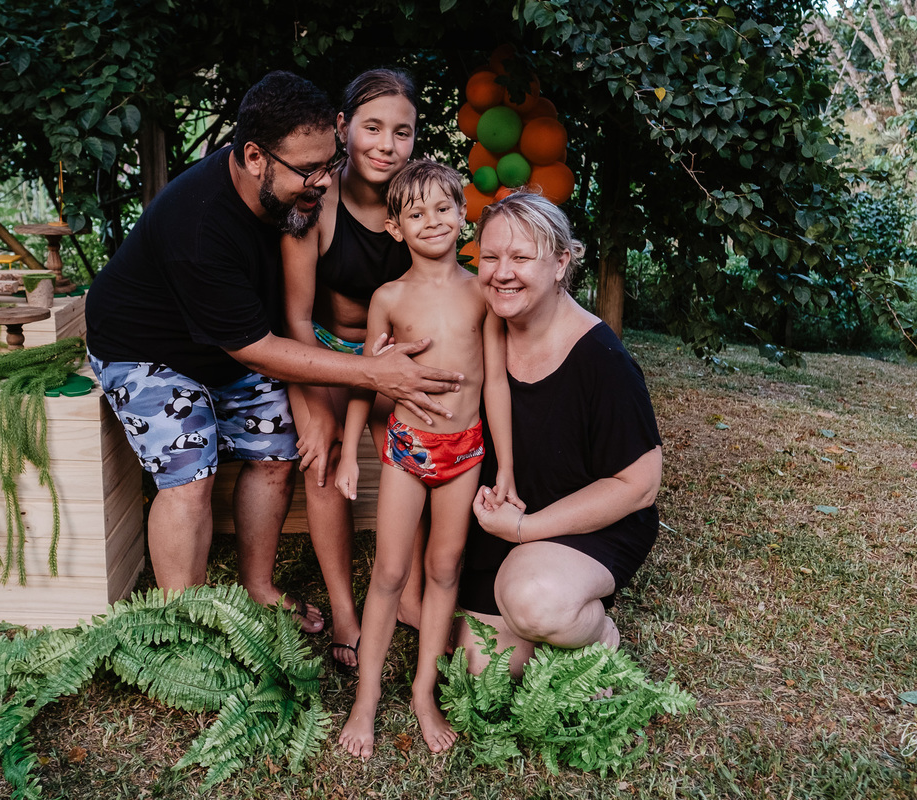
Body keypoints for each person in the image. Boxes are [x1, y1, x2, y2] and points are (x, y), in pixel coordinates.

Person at [84, 71, 463, 633]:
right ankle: (181, 627)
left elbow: (279, 325)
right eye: (309, 171)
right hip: (148, 352)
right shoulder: (200, 226)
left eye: (328, 164)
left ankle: (258, 587)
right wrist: (371, 373)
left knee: (279, 447)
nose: (322, 181)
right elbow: (259, 350)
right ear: (256, 157)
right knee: (190, 468)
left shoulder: (294, 197)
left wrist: (313, 404)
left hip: (228, 348)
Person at [334, 160, 514, 757]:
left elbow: (493, 387)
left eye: (443, 209)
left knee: (444, 570)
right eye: (417, 213)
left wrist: (505, 465)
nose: (432, 221)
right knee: (389, 573)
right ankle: (365, 700)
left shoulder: (481, 294)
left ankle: (422, 692)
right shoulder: (388, 298)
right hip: (406, 448)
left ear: (464, 216)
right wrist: (350, 454)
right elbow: (367, 377)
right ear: (395, 227)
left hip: (465, 451)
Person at [453, 191, 663, 677]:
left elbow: (640, 485)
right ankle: (531, 617)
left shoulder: (602, 360)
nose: (502, 272)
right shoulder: (482, 330)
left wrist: (526, 530)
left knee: (535, 603)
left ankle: (598, 636)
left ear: (560, 261)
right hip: (503, 525)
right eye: (490, 257)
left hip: (583, 527)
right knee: (479, 666)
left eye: (522, 257)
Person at [281, 69, 425, 668]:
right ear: (343, 128)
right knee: (320, 455)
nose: (386, 146)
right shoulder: (315, 203)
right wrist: (313, 405)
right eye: (372, 127)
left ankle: (411, 594)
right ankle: (345, 605)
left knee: (414, 444)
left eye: (402, 132)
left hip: (390, 353)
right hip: (320, 346)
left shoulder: (418, 203)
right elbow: (291, 318)